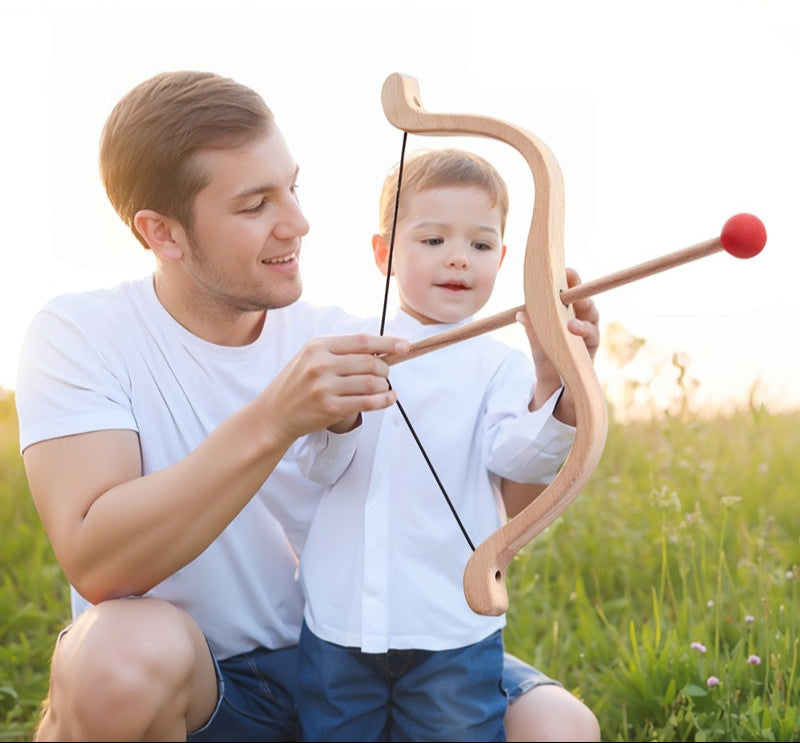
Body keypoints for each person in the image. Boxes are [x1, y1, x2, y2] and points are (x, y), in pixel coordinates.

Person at [14, 71, 599, 742]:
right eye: (255, 203)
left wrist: (557, 387)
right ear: (163, 233)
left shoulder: (352, 337)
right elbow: (99, 560)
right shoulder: (84, 333)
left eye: (292, 186)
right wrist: (274, 418)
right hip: (209, 682)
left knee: (559, 726)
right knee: (118, 658)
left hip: (351, 647)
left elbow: (495, 496)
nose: (298, 222)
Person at [275, 148, 598, 742]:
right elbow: (318, 466)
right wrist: (340, 419)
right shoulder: (348, 347)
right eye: (431, 241)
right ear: (385, 254)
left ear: (502, 260)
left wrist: (563, 386)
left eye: (479, 245)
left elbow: (518, 458)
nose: (457, 258)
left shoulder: (501, 366)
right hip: (341, 624)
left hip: (453, 628)